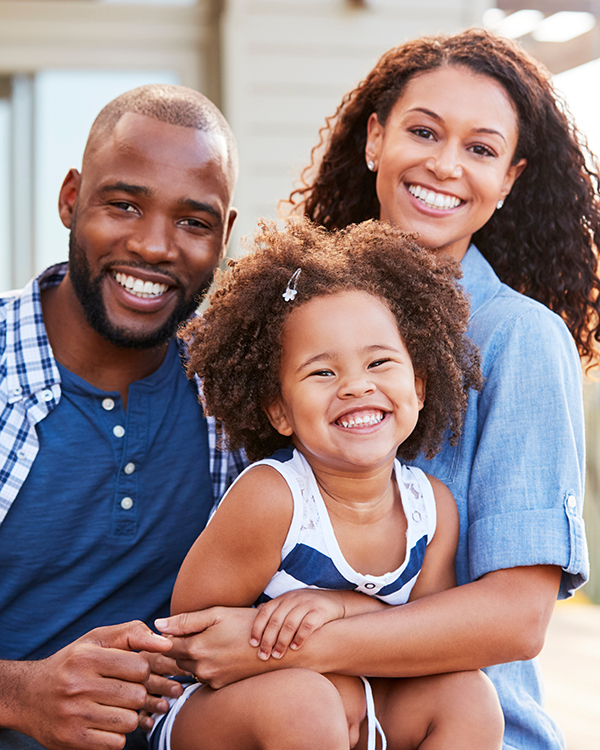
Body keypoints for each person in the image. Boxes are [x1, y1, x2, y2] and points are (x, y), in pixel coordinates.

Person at [157, 29, 596, 750]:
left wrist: (312, 632)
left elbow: (517, 617)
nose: (445, 164)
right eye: (423, 131)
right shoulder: (295, 318)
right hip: (286, 713)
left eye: (481, 149)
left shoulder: (519, 339)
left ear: (510, 179)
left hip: (458, 723)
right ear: (374, 139)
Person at [152, 217, 502, 750]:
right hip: (228, 716)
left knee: (468, 695)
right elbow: (192, 638)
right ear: (279, 410)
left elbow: (429, 641)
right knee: (306, 704)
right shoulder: (274, 498)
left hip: (362, 708)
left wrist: (342, 609)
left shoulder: (432, 509)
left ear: (420, 384)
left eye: (380, 362)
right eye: (322, 372)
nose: (357, 386)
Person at [0, 84, 245, 750]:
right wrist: (20, 695)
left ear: (223, 236)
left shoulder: (237, 400)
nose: (155, 246)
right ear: (71, 197)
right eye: (123, 204)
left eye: (193, 222)